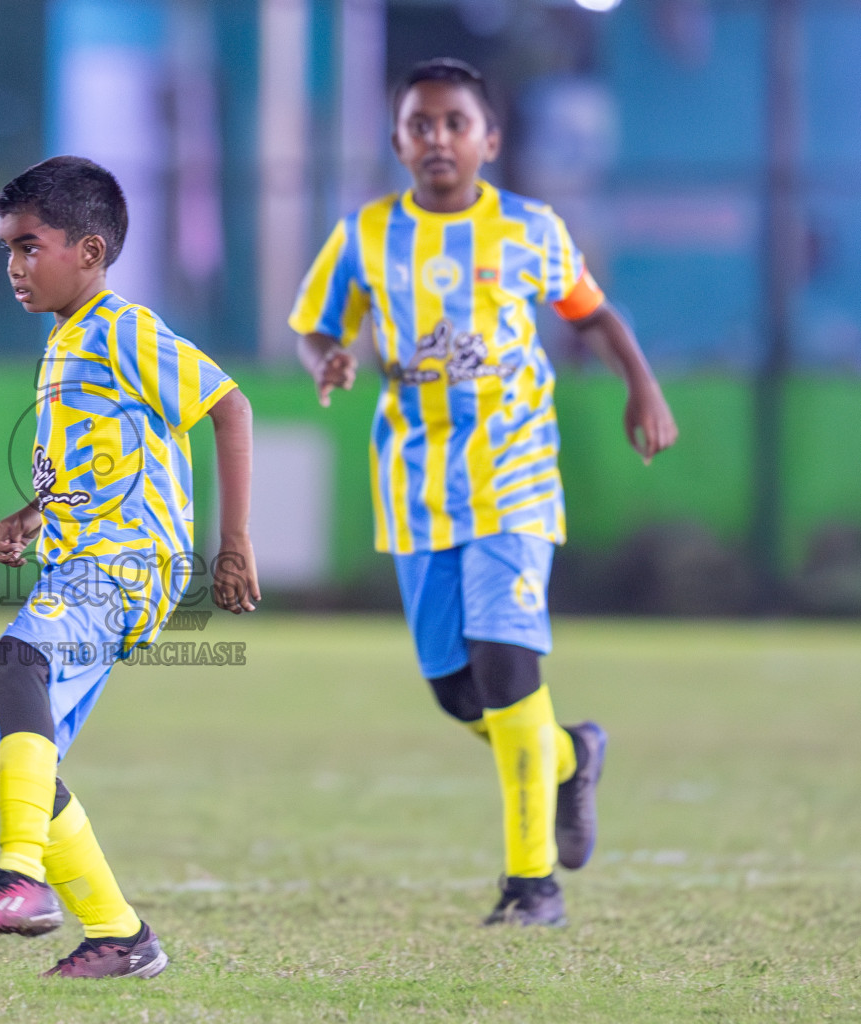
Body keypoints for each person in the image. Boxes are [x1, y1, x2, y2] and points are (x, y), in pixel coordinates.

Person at [291, 59, 678, 925]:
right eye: (419, 125)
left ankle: (529, 886)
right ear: (395, 141)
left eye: (454, 123)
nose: (437, 139)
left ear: (488, 140)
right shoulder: (362, 236)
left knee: (507, 664)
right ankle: (571, 760)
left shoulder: (530, 230)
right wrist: (330, 359)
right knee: (457, 692)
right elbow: (315, 325)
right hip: (414, 487)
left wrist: (640, 388)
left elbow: (594, 314)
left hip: (514, 478)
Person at [0, 156, 260, 977]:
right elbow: (84, 459)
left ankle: (20, 876)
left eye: (28, 246)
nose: (15, 267)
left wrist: (234, 544)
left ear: (88, 251)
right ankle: (119, 936)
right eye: (7, 251)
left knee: (15, 658)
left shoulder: (124, 328)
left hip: (130, 564)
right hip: (80, 559)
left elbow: (230, 406)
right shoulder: (63, 339)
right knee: (17, 751)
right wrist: (32, 511)